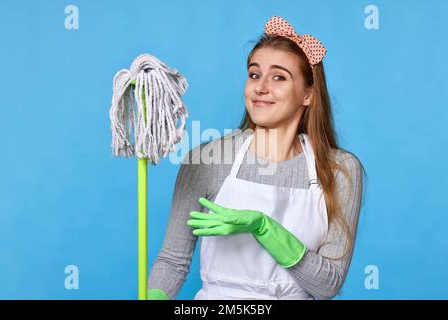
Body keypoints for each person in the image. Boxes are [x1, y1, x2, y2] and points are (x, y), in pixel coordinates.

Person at [147, 15, 366, 300]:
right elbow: (173, 261)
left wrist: (264, 227)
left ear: (308, 94)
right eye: (254, 74)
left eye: (278, 77)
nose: (261, 87)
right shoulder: (206, 160)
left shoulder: (340, 171)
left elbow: (328, 285)